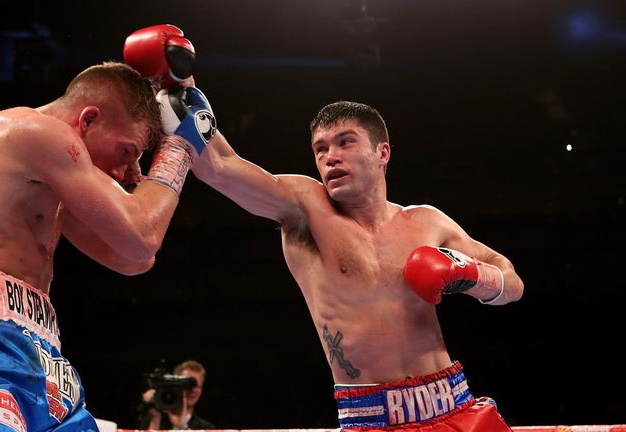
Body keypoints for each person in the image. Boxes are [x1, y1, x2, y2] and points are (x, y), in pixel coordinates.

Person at [0, 60, 215, 432]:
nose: (125, 171)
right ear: (88, 120)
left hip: (42, 352)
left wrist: (143, 171)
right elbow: (140, 235)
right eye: (128, 152)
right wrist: (178, 149)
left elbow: (136, 258)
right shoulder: (32, 132)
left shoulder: (48, 183)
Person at [190, 100, 524, 430]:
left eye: (345, 142)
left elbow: (513, 284)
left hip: (454, 404)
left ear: (383, 153)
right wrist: (182, 86)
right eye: (320, 149)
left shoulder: (427, 222)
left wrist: (472, 275)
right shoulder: (306, 209)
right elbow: (217, 164)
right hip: (371, 418)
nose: (330, 156)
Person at [138, 360, 215, 430]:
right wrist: (155, 420)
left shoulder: (205, 428)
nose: (193, 390)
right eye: (188, 385)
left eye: (197, 386)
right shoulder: (153, 419)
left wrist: (182, 426)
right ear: (174, 385)